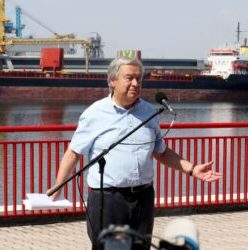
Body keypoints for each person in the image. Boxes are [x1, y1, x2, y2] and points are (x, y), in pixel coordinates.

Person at [48, 57, 222, 249]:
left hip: (143, 198)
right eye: (129, 78)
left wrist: (192, 168)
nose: (135, 83)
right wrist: (58, 185)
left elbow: (161, 152)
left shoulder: (149, 112)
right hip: (108, 200)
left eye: (139, 79)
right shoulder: (95, 113)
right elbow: (73, 152)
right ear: (112, 80)